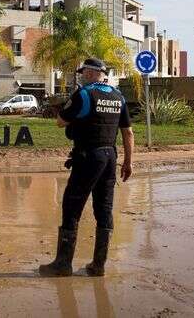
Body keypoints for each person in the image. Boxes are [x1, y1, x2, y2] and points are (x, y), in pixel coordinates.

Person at [39, 58, 134, 277]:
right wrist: (128, 162)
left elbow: (61, 121)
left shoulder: (83, 94)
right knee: (104, 208)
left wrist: (72, 119)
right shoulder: (118, 97)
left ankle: (63, 264)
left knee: (72, 206)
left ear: (92, 73)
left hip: (88, 155)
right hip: (110, 157)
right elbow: (127, 132)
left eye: (84, 72)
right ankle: (98, 265)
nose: (82, 75)